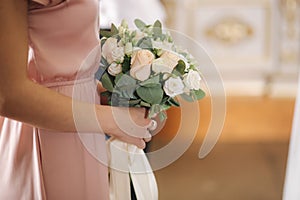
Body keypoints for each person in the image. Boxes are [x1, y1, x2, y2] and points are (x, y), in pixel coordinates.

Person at [0, 1, 152, 199]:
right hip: (49, 132)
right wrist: (114, 120)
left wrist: (103, 93)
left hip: (81, 123)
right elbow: (9, 96)